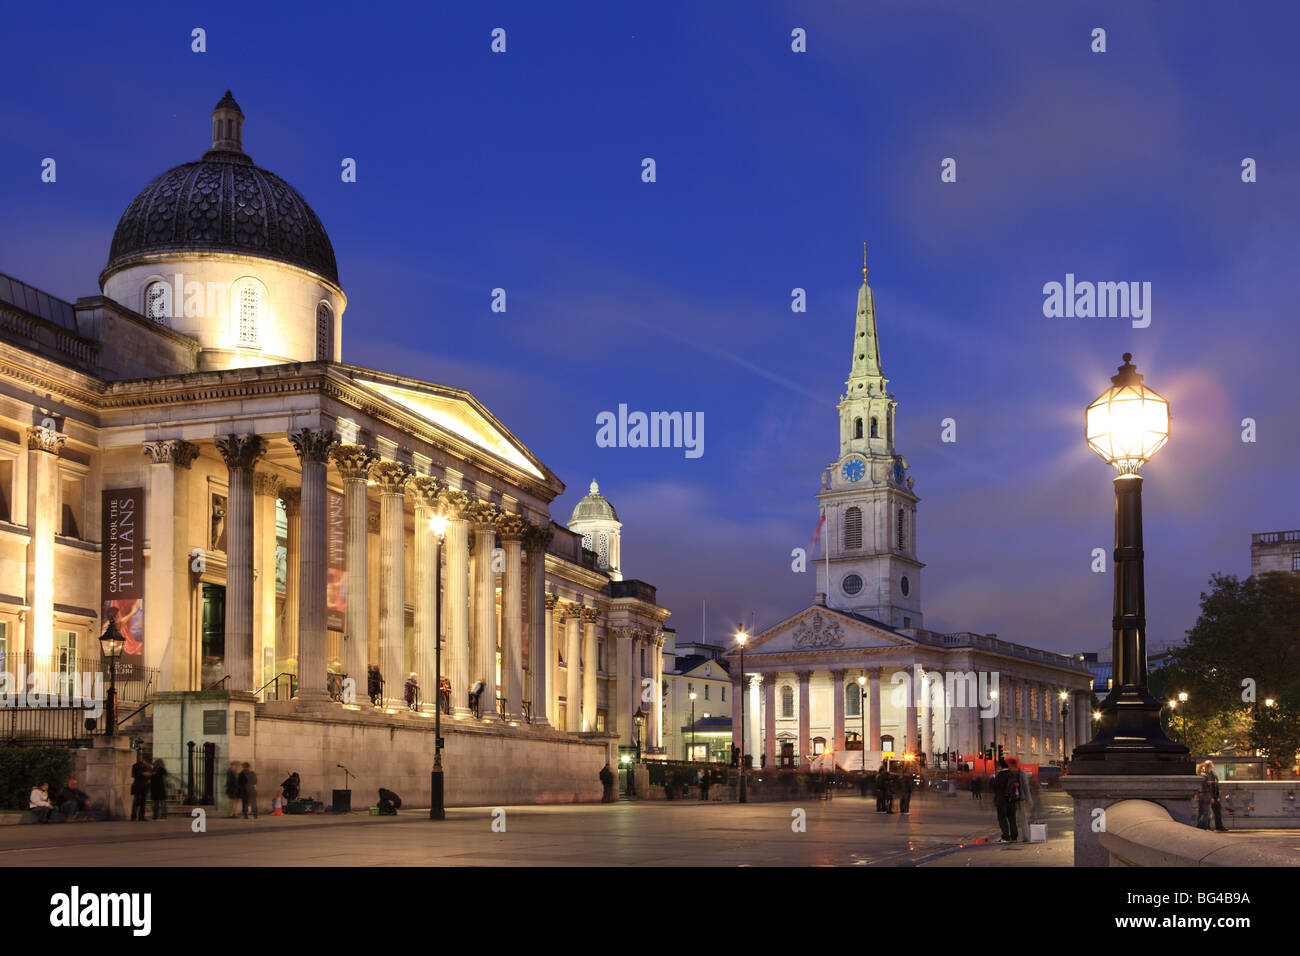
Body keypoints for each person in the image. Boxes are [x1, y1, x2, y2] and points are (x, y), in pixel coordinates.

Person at [992, 757, 1021, 842]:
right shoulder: (1012, 774)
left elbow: (994, 787)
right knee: (1012, 819)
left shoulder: (999, 776)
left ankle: (1005, 836)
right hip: (1012, 800)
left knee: (1002, 818)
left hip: (1002, 801)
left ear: (1000, 766)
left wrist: (993, 779)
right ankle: (1014, 836)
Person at [1197, 760, 1227, 831]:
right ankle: (1205, 826)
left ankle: (1215, 826)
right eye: (1211, 767)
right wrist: (1212, 797)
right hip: (1209, 796)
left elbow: (1215, 785)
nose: (1212, 768)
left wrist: (1217, 796)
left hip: (1213, 795)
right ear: (1207, 767)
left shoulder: (1212, 774)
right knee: (1206, 812)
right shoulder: (1204, 775)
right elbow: (1207, 787)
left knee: (1213, 811)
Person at [1009, 757, 1034, 842]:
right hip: (1018, 798)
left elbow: (1026, 787)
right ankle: (1025, 836)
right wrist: (1029, 800)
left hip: (1013, 799)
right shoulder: (1022, 773)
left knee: (1013, 818)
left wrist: (1029, 799)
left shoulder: (1009, 773)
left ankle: (1016, 837)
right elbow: (1026, 787)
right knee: (1022, 818)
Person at [130, 756, 151, 822]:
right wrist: (143, 774)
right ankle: (134, 816)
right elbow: (133, 775)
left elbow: (149, 775)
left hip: (144, 785)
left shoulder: (148, 767)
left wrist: (149, 775)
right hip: (138, 785)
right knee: (136, 802)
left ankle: (141, 817)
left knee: (142, 802)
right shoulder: (136, 766)